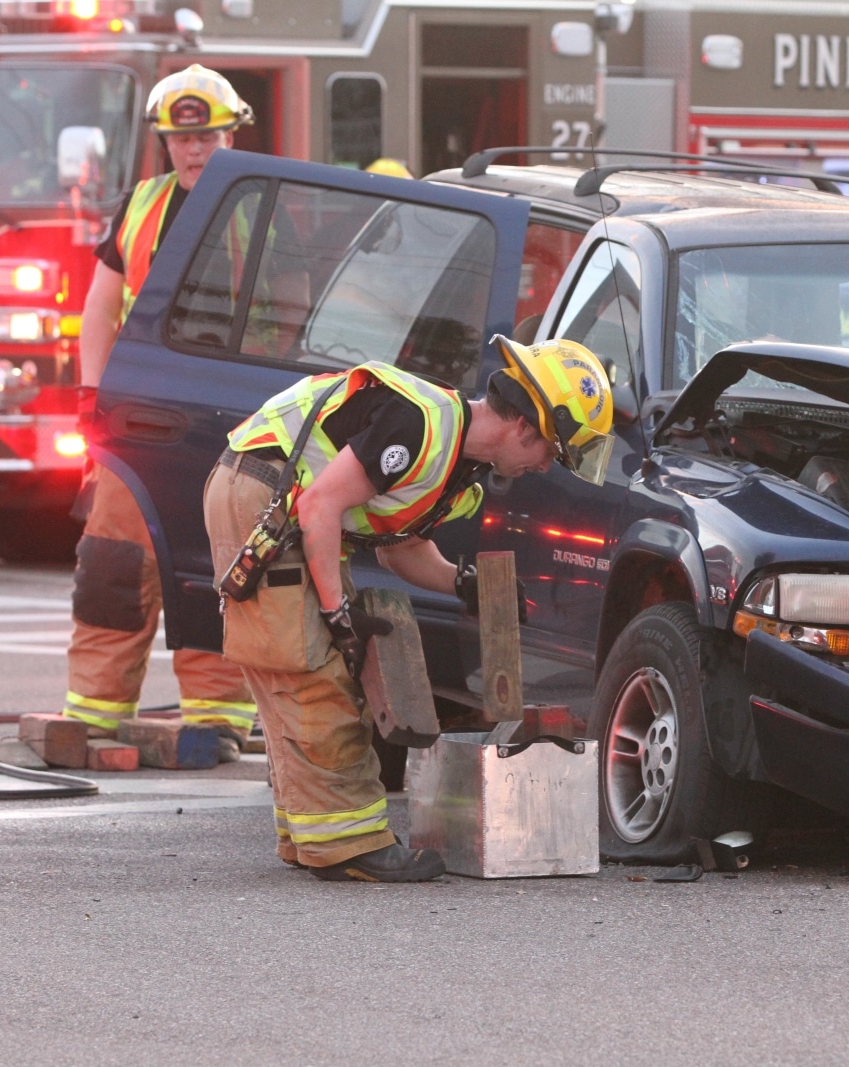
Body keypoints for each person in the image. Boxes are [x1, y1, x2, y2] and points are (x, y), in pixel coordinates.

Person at [204, 338, 614, 882]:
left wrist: (462, 583)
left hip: (276, 502)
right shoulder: (422, 425)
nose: (545, 468)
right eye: (551, 453)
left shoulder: (455, 462)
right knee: (316, 675)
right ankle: (349, 845)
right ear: (524, 427)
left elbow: (401, 550)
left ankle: (313, 836)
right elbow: (321, 505)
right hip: (267, 496)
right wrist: (337, 615)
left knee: (297, 673)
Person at [62, 66, 260, 756]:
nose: (194, 149)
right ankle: (94, 706)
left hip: (229, 422)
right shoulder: (142, 204)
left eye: (206, 136)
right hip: (139, 417)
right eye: (181, 138)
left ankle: (218, 713)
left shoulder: (262, 205)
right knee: (112, 561)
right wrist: (91, 397)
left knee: (218, 564)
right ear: (165, 140)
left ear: (231, 134)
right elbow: (98, 306)